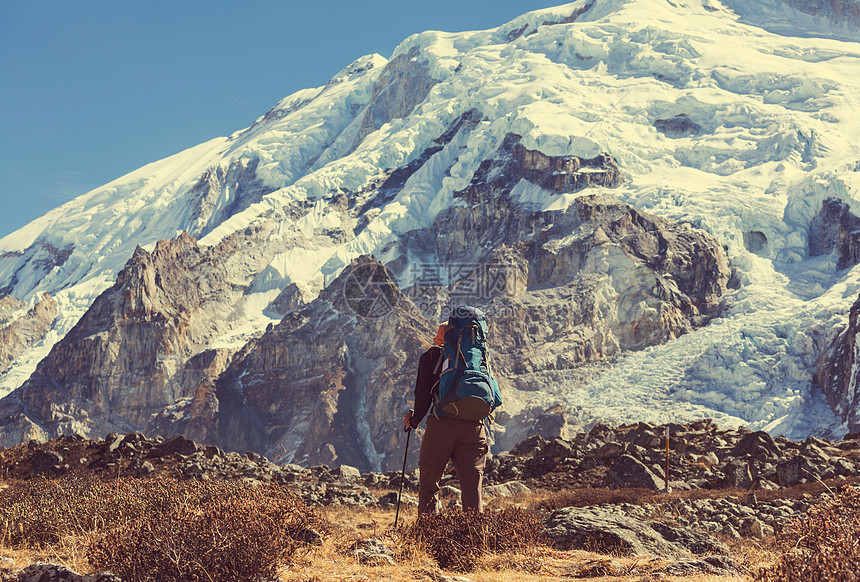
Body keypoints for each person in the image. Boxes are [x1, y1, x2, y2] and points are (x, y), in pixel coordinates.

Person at [403, 323, 489, 514]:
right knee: (472, 489)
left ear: (442, 338)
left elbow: (423, 397)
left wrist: (414, 420)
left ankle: (427, 536)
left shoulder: (432, 356)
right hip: (475, 428)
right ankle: (476, 537)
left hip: (442, 425)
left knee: (429, 484)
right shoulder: (478, 357)